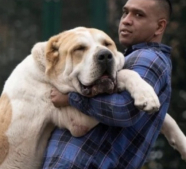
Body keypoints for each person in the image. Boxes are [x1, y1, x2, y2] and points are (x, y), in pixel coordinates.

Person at [42, 0, 173, 168]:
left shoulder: (147, 57)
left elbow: (124, 108)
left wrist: (70, 99)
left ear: (159, 27)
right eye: (125, 12)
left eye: (139, 15)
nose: (126, 20)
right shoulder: (129, 58)